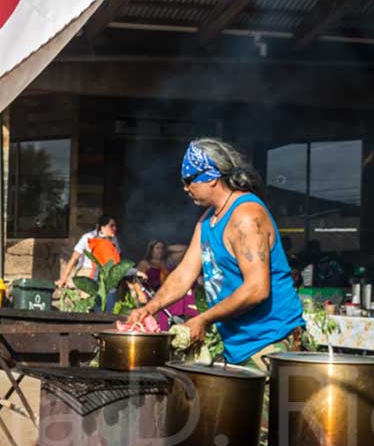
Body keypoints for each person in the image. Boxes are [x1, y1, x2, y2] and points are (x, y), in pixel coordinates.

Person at [128, 139, 303, 368]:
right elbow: (183, 275)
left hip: (272, 342)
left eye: (189, 180)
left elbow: (257, 289)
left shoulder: (246, 216)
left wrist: (203, 319)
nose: (185, 187)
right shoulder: (208, 221)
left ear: (210, 177)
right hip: (238, 346)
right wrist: (149, 308)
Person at [56, 216, 120, 292]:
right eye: (111, 226)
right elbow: (74, 258)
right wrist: (63, 278)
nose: (114, 228)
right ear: (102, 227)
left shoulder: (114, 240)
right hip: (87, 271)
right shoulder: (88, 237)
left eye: (115, 226)